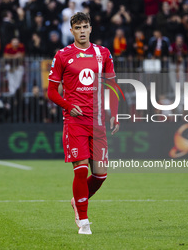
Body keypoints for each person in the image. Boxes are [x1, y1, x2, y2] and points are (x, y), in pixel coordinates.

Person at [47, 12, 119, 235]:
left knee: (100, 175)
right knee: (80, 171)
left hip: (97, 122)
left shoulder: (102, 53)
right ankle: (84, 220)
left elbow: (113, 86)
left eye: (85, 26)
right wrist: (68, 106)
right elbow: (51, 91)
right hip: (75, 121)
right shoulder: (62, 55)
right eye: (77, 28)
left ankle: (76, 201)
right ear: (71, 31)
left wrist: (115, 114)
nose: (82, 31)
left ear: (90, 29)